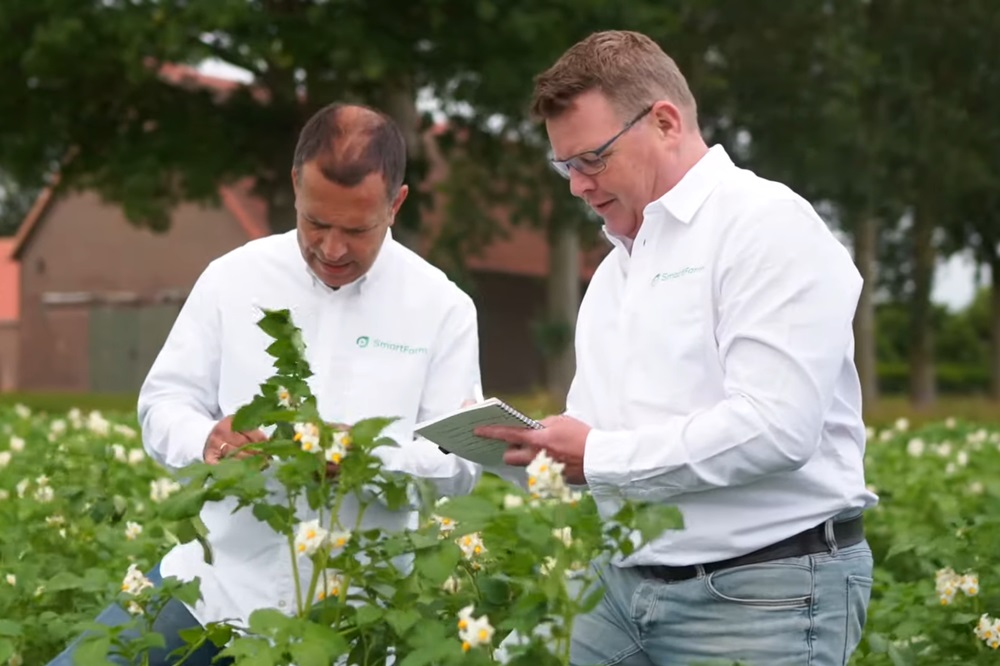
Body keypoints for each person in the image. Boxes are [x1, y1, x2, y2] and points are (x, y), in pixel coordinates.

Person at [476, 30, 878, 666]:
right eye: (565, 168)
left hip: (760, 590)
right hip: (620, 584)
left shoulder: (764, 224)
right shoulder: (618, 268)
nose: (578, 187)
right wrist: (542, 449)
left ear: (664, 121)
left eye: (591, 160)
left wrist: (597, 455)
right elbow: (601, 433)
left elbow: (776, 429)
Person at [48, 103, 485, 665]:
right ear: (294, 188)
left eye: (357, 229)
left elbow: (460, 463)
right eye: (315, 222)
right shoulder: (235, 277)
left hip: (350, 619)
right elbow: (164, 402)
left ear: (396, 204)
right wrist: (208, 440)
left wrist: (364, 456)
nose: (332, 249)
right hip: (212, 589)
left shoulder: (441, 306)